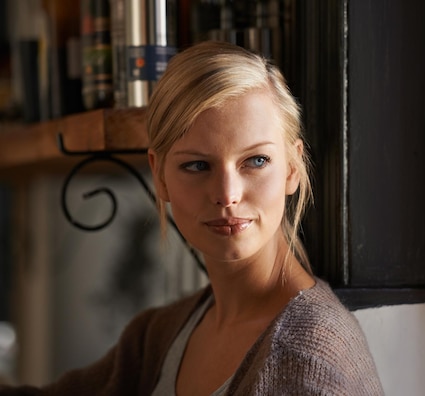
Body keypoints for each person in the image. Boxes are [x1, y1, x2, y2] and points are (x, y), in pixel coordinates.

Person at [0, 41, 384, 395]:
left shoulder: (309, 360)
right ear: (160, 175)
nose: (227, 194)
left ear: (291, 170)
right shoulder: (156, 337)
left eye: (256, 161)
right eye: (198, 165)